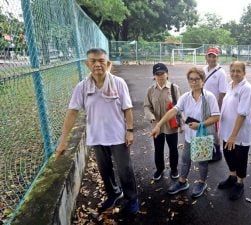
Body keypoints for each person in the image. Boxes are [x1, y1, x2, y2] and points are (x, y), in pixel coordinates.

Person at [55, 48, 139, 216]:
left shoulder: (118, 83)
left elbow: (127, 109)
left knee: (124, 169)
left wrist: (129, 130)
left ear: (107, 63)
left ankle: (132, 198)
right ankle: (114, 193)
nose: (97, 64)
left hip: (117, 135)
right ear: (88, 64)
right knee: (104, 170)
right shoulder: (82, 87)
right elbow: (72, 112)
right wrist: (63, 139)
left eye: (101, 60)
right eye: (93, 61)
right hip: (96, 136)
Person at [150, 67, 220, 198]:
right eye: (191, 79)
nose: (194, 82)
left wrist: (200, 125)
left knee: (202, 162)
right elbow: (173, 111)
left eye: (197, 79)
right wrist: (159, 125)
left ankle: (202, 182)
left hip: (202, 136)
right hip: (189, 137)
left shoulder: (209, 97)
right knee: (185, 159)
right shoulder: (186, 97)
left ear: (203, 80)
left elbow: (216, 117)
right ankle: (182, 182)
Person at [218, 61, 251, 201]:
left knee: (240, 158)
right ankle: (232, 176)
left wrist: (233, 136)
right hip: (227, 129)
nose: (235, 73)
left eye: (238, 71)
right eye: (232, 70)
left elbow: (242, 114)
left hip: (239, 133)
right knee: (228, 154)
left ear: (244, 73)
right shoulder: (230, 85)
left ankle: (240, 183)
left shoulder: (247, 89)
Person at [144, 63, 181, 180]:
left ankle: (174, 169)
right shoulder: (150, 90)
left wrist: (181, 123)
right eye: (157, 74)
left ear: (167, 74)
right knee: (158, 148)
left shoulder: (174, 88)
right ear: (154, 76)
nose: (160, 76)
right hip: (157, 126)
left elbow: (179, 106)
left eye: (162, 73)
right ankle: (159, 169)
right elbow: (146, 106)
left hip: (171, 125)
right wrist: (151, 118)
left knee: (173, 148)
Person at [202, 47, 227, 161]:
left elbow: (222, 93)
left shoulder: (221, 72)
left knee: (215, 130)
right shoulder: (203, 70)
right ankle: (208, 151)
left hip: (215, 106)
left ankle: (217, 153)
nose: (211, 58)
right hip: (203, 104)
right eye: (210, 56)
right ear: (206, 57)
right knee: (206, 128)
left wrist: (217, 109)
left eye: (214, 56)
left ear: (217, 57)